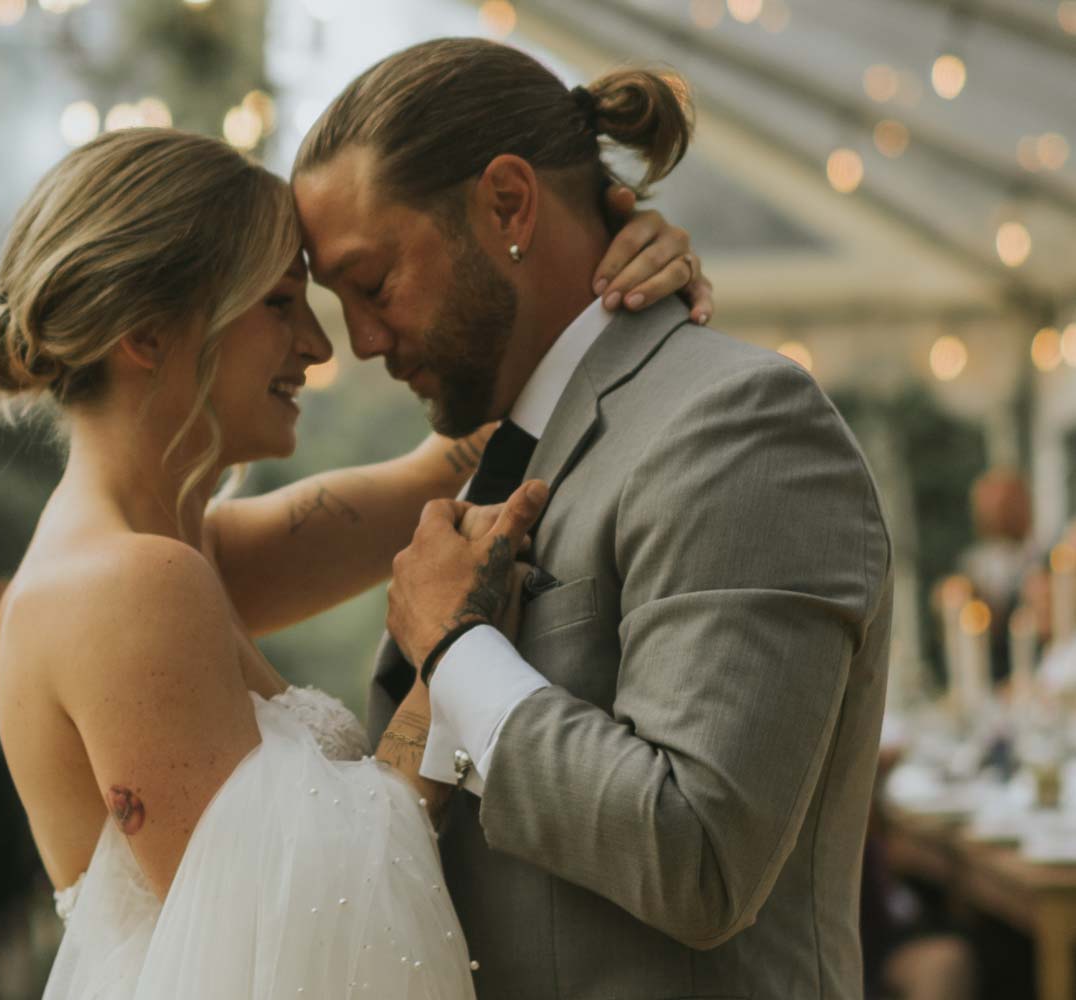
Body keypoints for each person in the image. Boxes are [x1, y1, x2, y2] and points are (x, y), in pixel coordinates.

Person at [0, 117, 710, 996]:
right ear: (146, 334)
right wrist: (448, 659)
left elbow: (469, 455)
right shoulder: (127, 585)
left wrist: (604, 285)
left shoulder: (182, 553)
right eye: (279, 303)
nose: (318, 346)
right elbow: (309, 944)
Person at [291, 38, 893, 998]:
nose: (360, 341)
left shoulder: (740, 424)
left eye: (372, 284)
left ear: (507, 204)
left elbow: (703, 858)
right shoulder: (510, 448)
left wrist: (458, 653)